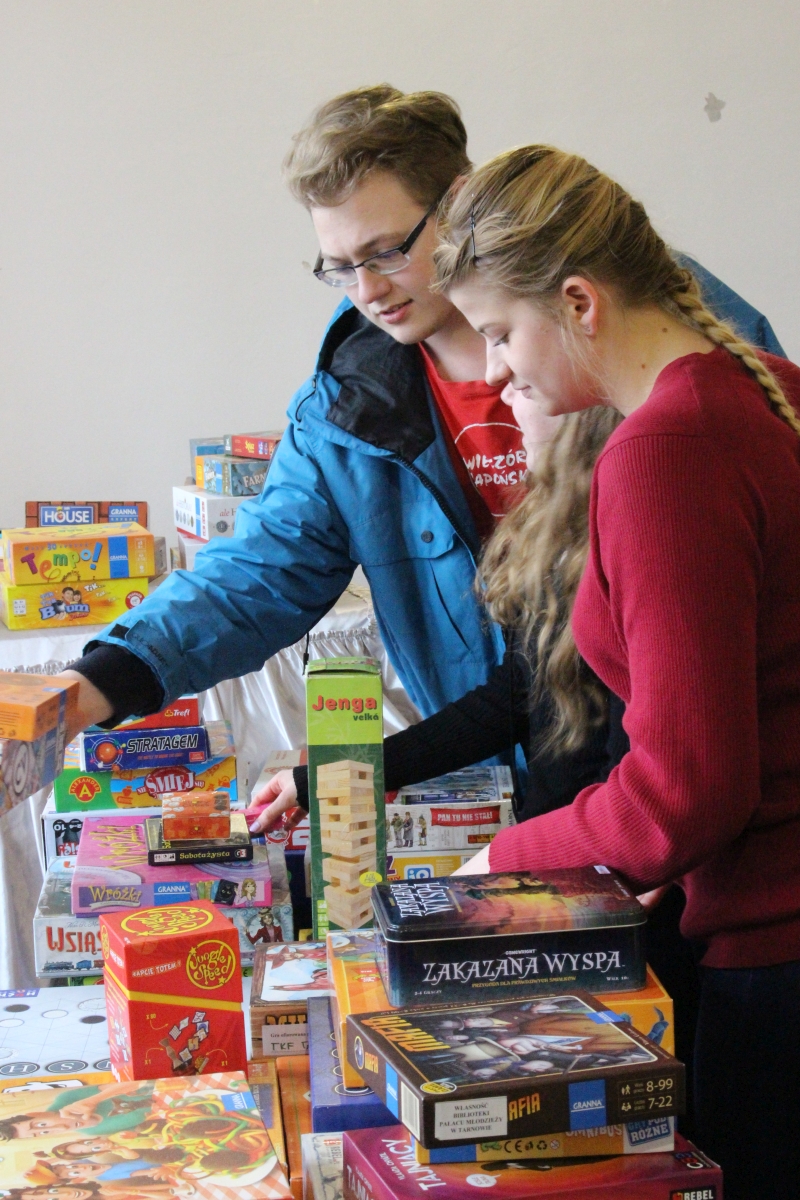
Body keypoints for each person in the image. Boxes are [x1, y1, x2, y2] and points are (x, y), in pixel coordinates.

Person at [51, 86, 780, 757]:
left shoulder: (651, 329)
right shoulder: (345, 405)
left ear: (459, 199)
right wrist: (94, 684)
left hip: (691, 759)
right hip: (508, 769)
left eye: (387, 252)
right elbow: (259, 574)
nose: (367, 290)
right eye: (338, 267)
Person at [428, 144, 800, 1200]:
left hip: (772, 961)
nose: (491, 370)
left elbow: (684, 791)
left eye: (500, 332)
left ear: (579, 301)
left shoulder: (663, 452)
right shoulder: (764, 389)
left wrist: (500, 864)